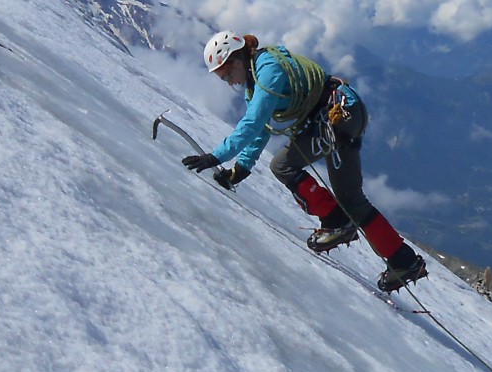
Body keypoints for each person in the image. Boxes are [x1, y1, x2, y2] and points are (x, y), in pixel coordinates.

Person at [181, 30, 428, 293]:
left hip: (335, 117)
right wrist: (240, 168)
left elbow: (254, 123)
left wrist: (216, 156)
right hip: (342, 113)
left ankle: (336, 222)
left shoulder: (268, 72)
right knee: (351, 199)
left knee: (283, 166)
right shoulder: (257, 79)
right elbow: (262, 126)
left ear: (237, 60)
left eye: (227, 75)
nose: (230, 82)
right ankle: (404, 261)